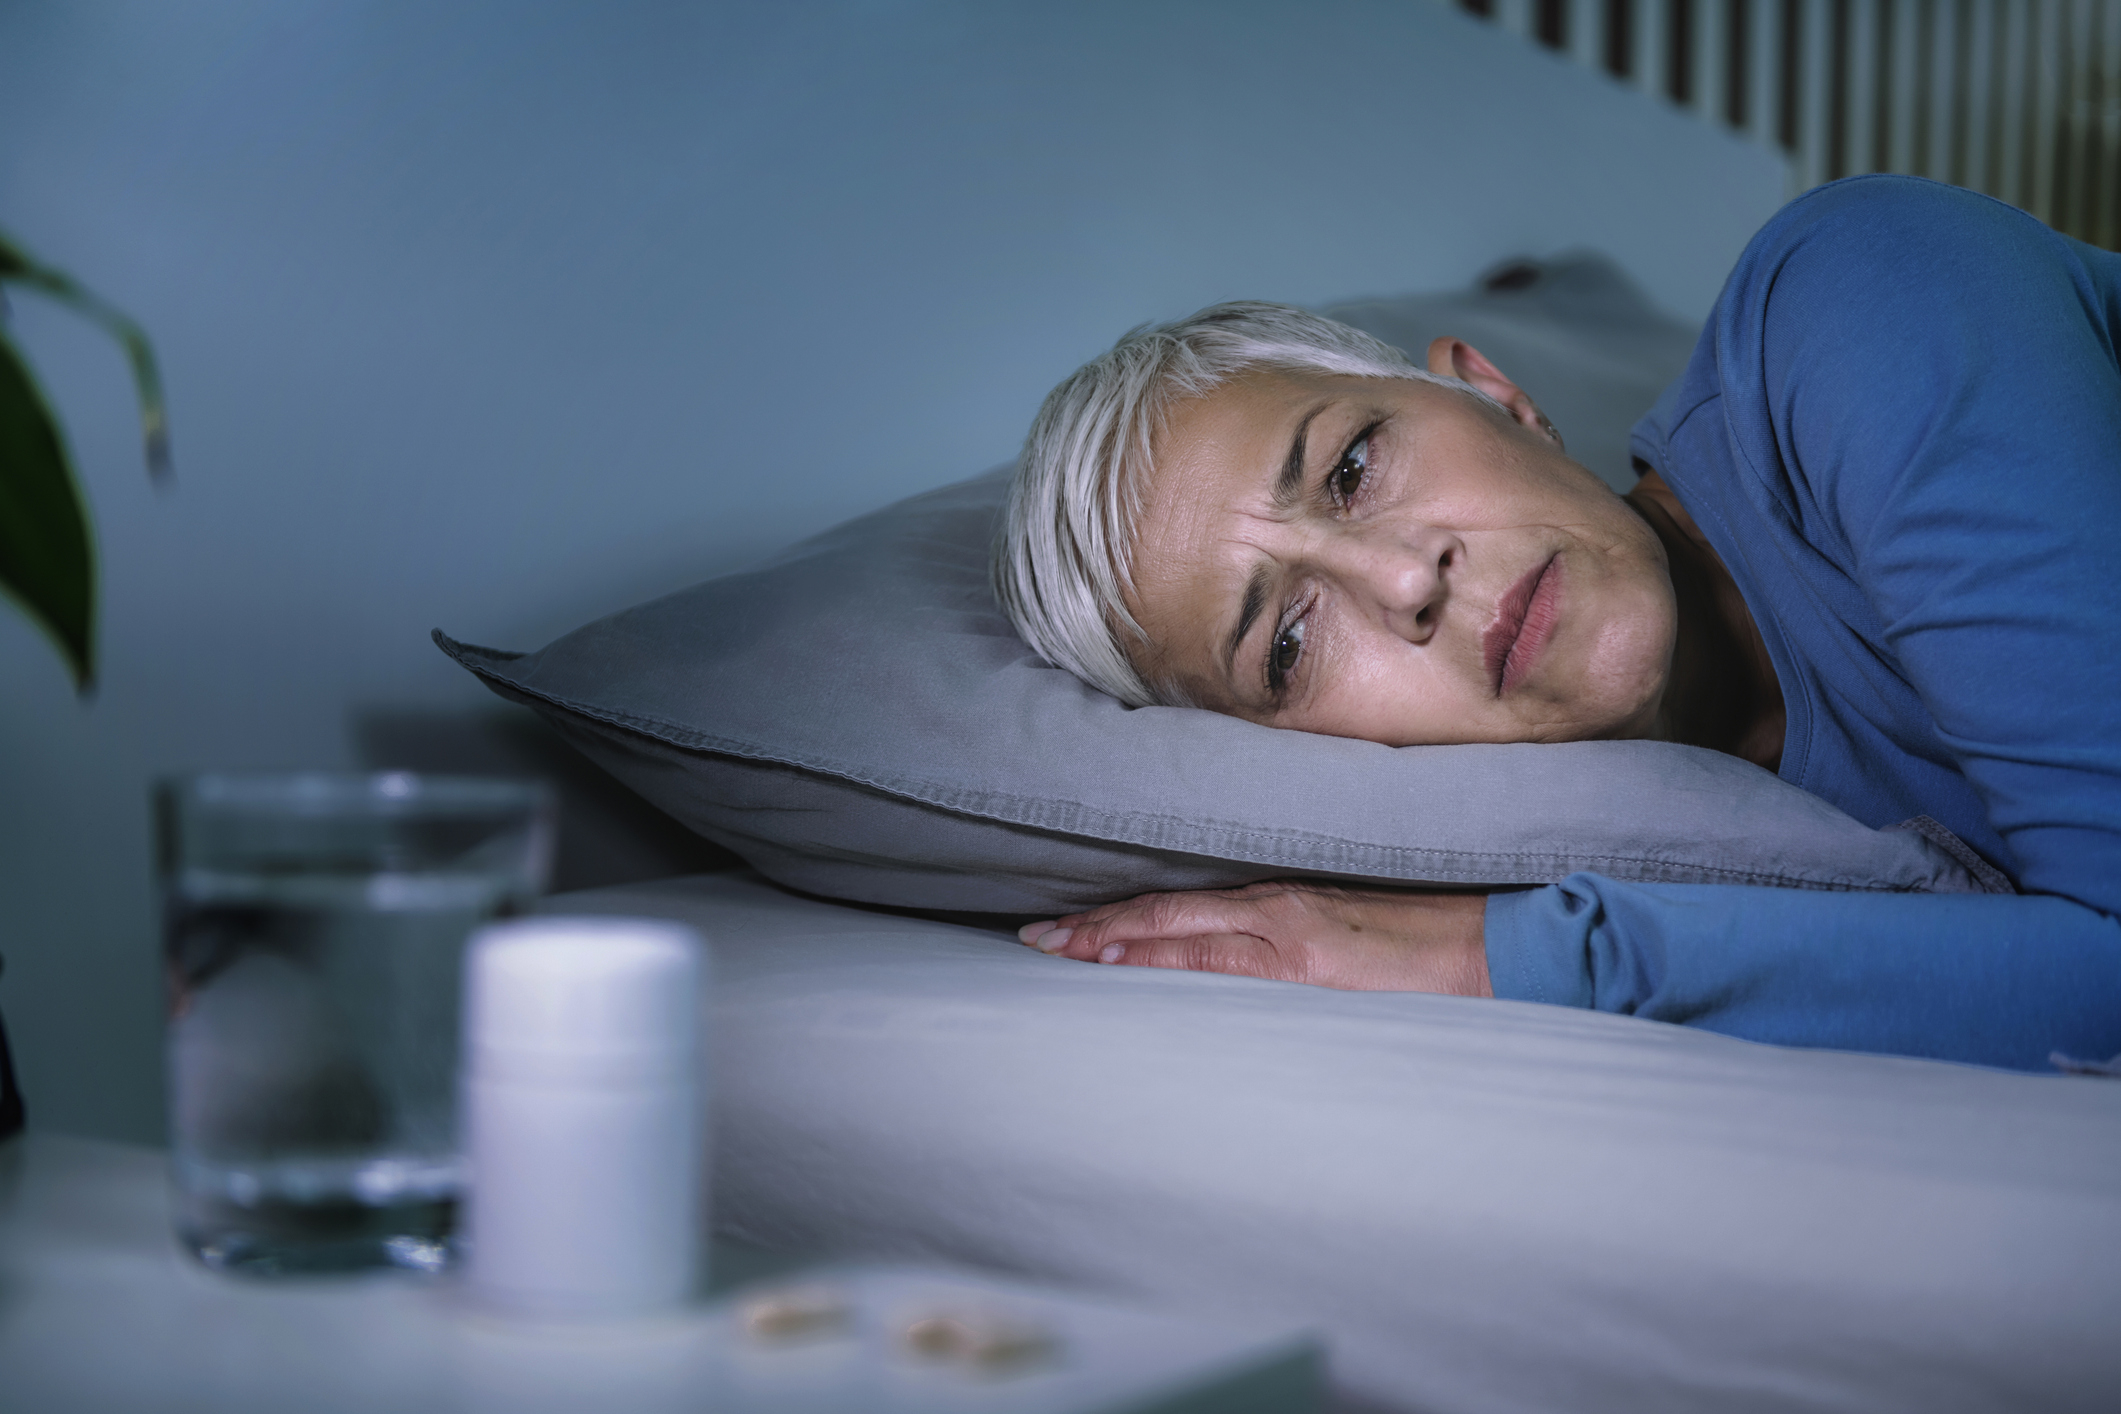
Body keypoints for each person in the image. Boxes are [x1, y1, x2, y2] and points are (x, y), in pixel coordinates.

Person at [990, 175, 2121, 1072]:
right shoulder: (1707, 846)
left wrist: (1511, 953)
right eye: (1287, 643)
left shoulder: (1865, 291)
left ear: (1496, 393)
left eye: (1351, 465)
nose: (1401, 578)